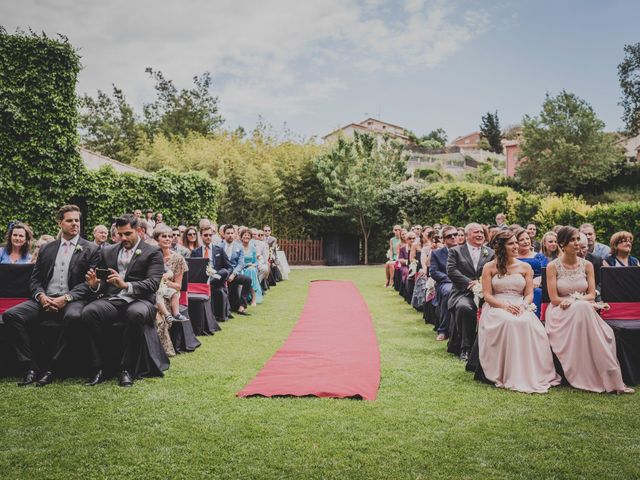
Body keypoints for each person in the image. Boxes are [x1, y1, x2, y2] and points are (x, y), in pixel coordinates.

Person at [3, 205, 100, 387]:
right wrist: (41, 296)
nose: (74, 224)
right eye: (69, 220)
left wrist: (67, 298)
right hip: (45, 298)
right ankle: (30, 367)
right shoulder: (47, 248)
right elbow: (35, 279)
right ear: (59, 223)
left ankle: (52, 368)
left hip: (73, 300)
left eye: (77, 221)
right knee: (11, 315)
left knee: (74, 316)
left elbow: (89, 283)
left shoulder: (91, 249)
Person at [545, 226, 633, 394]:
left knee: (587, 311)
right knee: (583, 308)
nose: (578, 243)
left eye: (578, 239)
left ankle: (611, 378)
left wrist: (575, 300)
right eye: (573, 240)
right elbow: (554, 299)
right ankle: (588, 377)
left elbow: (591, 295)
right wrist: (572, 302)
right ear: (562, 244)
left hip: (583, 309)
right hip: (560, 312)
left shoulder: (588, 265)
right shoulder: (552, 267)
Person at [82, 213, 164, 387]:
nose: (123, 238)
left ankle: (126, 368)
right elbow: (104, 283)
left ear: (139, 231)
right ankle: (98, 367)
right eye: (120, 234)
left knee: (134, 314)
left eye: (128, 234)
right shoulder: (108, 251)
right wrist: (95, 285)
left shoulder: (153, 251)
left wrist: (126, 285)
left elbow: (153, 283)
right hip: (114, 300)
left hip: (142, 301)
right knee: (89, 312)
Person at [478, 230, 560, 393]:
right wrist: (504, 306)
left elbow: (529, 293)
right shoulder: (489, 267)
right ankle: (509, 371)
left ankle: (529, 371)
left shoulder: (525, 267)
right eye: (511, 243)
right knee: (511, 321)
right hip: (497, 306)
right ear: (501, 247)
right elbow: (487, 295)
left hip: (520, 304)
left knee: (526, 322)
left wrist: (523, 305)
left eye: (516, 242)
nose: (516, 246)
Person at [447, 223, 495, 360]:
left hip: (486, 292)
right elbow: (452, 271)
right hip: (463, 292)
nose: (480, 235)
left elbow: (495, 273)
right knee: (464, 308)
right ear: (467, 235)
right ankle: (465, 348)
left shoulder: (490, 253)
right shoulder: (455, 251)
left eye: (481, 232)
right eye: (476, 232)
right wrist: (470, 284)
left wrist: (480, 284)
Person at [153, 225, 189, 357]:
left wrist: (166, 282)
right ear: (157, 238)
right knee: (155, 313)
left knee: (161, 318)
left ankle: (164, 352)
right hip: (154, 293)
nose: (167, 239)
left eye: (169, 236)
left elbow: (179, 287)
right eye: (164, 236)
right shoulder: (151, 255)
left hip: (170, 295)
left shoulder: (178, 259)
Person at [429, 225, 458, 341]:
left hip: (466, 281)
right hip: (446, 282)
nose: (453, 237)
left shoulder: (465, 251)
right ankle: (443, 330)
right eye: (449, 236)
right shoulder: (437, 253)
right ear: (443, 239)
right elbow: (434, 272)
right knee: (448, 292)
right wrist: (450, 278)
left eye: (455, 234)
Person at [515, 228, 547, 317]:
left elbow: (546, 271)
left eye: (527, 238)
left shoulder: (539, 256)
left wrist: (540, 278)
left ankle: (534, 318)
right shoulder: (512, 258)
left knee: (537, 292)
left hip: (536, 285)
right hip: (517, 285)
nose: (526, 242)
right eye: (521, 240)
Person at [220, 224, 252, 315]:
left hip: (234, 273)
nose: (230, 235)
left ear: (234, 234)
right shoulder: (219, 246)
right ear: (224, 234)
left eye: (232, 233)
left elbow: (241, 263)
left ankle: (242, 307)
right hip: (222, 273)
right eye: (228, 233)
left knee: (247, 280)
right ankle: (226, 308)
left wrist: (233, 274)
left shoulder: (239, 247)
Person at [239, 227, 263, 306]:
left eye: (248, 235)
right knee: (250, 270)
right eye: (245, 235)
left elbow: (255, 262)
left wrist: (252, 265)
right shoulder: (238, 247)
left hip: (251, 268)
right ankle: (248, 297)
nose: (246, 237)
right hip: (241, 269)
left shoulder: (253, 248)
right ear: (241, 237)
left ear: (250, 237)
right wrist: (246, 265)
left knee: (252, 270)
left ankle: (253, 298)